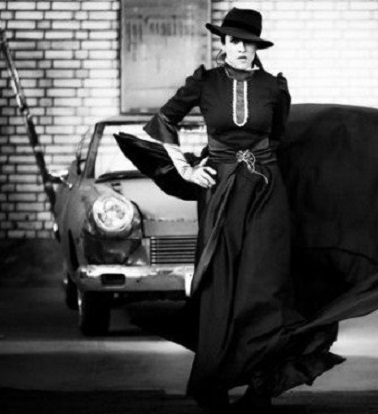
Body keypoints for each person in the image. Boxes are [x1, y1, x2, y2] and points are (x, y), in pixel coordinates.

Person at [141, 7, 345, 413]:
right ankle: (214, 383)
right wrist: (187, 168)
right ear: (223, 43)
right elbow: (163, 121)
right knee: (220, 287)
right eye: (233, 40)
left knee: (264, 288)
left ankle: (261, 385)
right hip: (220, 195)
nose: (240, 48)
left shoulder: (274, 87)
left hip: (267, 194)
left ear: (257, 47)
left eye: (248, 42)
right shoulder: (205, 82)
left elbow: (279, 138)